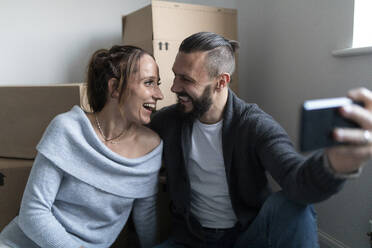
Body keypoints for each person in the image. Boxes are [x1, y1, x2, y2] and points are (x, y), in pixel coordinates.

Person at [150, 32, 372, 248]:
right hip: (191, 238)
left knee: (292, 206)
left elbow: (297, 181)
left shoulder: (254, 124)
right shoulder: (169, 120)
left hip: (247, 235)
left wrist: (333, 166)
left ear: (221, 82)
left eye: (186, 79)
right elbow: (129, 135)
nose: (174, 87)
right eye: (175, 75)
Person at [0, 45, 164, 248]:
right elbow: (33, 212)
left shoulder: (152, 147)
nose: (159, 94)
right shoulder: (67, 128)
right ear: (115, 88)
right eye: (149, 83)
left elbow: (146, 218)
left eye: (158, 83)